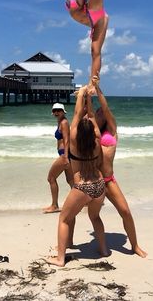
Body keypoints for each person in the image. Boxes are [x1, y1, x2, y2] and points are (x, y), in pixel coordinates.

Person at [46, 86, 108, 267]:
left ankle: (60, 259)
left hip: (82, 187)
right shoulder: (97, 140)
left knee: (64, 219)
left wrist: (81, 95)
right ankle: (104, 250)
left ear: (77, 131)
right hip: (99, 185)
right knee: (95, 217)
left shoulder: (73, 142)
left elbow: (76, 115)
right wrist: (88, 98)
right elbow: (91, 119)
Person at [92, 78, 147, 258]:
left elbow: (105, 109)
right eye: (98, 112)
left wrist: (98, 90)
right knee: (90, 215)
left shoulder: (112, 131)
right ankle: (99, 246)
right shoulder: (92, 130)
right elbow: (87, 112)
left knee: (125, 212)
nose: (101, 112)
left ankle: (135, 245)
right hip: (94, 181)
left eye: (102, 111)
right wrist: (86, 96)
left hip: (109, 179)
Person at [43, 103, 73, 214]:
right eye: (54, 110)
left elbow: (66, 140)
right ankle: (82, 202)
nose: (56, 112)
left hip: (64, 154)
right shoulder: (60, 122)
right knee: (71, 181)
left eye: (58, 110)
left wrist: (65, 156)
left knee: (51, 178)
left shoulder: (64, 123)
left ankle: (54, 205)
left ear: (63, 111)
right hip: (65, 154)